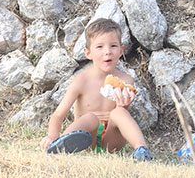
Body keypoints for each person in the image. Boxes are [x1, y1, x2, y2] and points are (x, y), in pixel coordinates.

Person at [42, 18, 152, 160]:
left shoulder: (125, 81)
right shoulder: (82, 80)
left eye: (113, 46)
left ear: (121, 51)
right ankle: (59, 144)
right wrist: (52, 135)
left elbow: (123, 118)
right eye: (100, 47)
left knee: (119, 112)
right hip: (86, 140)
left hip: (112, 142)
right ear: (88, 53)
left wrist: (123, 106)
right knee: (90, 118)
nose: (108, 52)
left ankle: (142, 150)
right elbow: (58, 115)